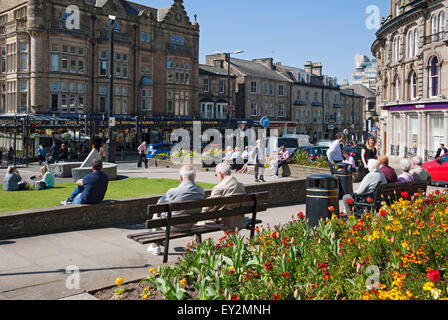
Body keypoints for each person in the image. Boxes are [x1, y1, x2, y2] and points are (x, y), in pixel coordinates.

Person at [147, 165, 205, 255]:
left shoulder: (173, 192)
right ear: (194, 176)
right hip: (191, 224)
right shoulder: (201, 191)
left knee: (156, 214)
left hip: (174, 226)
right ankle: (157, 243)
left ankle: (155, 245)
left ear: (181, 177)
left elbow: (159, 204)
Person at [202, 162, 247, 231]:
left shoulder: (219, 187)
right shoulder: (241, 185)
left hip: (225, 221)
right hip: (239, 221)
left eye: (216, 175)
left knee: (199, 221)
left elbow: (208, 206)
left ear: (220, 174)